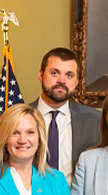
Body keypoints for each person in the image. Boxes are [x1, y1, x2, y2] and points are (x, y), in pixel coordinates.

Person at [29, 47, 102, 179]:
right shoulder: (20, 117)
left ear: (77, 82)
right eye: (55, 73)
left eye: (69, 75)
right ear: (41, 75)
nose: (61, 81)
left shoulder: (95, 120)